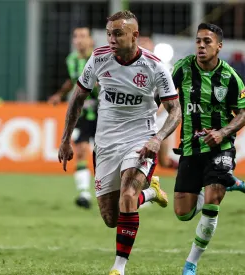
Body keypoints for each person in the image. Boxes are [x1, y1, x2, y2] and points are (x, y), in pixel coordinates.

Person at [58, 11, 181, 275]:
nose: (112, 39)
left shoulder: (155, 67)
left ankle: (118, 268)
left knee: (127, 196)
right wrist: (65, 138)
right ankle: (151, 193)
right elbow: (78, 99)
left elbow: (175, 110)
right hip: (106, 144)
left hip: (140, 141)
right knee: (111, 218)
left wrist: (157, 138)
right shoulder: (99, 58)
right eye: (109, 33)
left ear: (134, 35)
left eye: (118, 34)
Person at [170, 23, 245, 275]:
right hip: (190, 148)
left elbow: (244, 113)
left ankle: (191, 263)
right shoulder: (182, 70)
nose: (201, 46)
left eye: (207, 41)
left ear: (219, 46)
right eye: (198, 41)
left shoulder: (229, 76)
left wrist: (223, 132)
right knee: (183, 213)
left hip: (221, 147)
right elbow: (166, 99)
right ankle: (225, 181)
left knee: (213, 200)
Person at [48, 26, 98, 209]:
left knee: (111, 155)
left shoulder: (101, 58)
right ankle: (84, 194)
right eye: (76, 36)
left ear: (91, 40)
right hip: (84, 114)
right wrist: (60, 94)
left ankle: (136, 191)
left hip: (106, 113)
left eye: (83, 36)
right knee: (82, 150)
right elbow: (73, 79)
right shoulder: (71, 60)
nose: (79, 40)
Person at [137, 31, 180, 171]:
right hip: (142, 117)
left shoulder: (163, 66)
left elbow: (175, 90)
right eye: (140, 42)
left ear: (152, 45)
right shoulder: (133, 66)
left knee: (163, 161)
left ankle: (185, 169)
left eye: (146, 42)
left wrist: (158, 109)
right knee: (143, 156)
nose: (143, 45)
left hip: (160, 117)